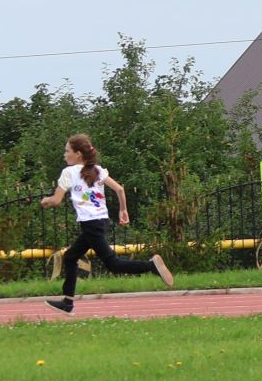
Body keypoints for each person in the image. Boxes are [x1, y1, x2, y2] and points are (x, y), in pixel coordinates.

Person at [41, 134, 173, 314]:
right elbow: (119, 189)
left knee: (113, 264)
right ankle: (67, 302)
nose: (65, 155)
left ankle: (151, 266)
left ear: (78, 154)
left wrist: (46, 200)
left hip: (91, 225)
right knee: (71, 257)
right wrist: (123, 210)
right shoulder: (97, 170)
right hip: (101, 221)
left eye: (67, 151)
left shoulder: (68, 172)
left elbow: (56, 200)